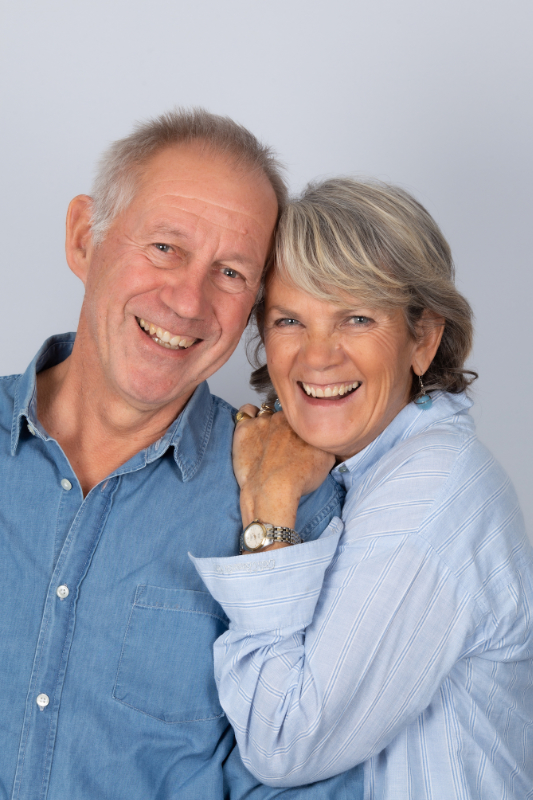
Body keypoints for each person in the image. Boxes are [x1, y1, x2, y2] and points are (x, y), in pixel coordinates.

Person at [0, 112, 365, 799]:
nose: (187, 301)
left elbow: (310, 777)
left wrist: (272, 527)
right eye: (165, 247)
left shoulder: (296, 500)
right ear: (85, 239)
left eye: (230, 272)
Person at [193, 178, 533, 799]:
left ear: (423, 339)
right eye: (290, 319)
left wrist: (269, 503)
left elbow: (284, 742)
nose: (318, 358)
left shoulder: (430, 494)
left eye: (356, 317)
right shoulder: (369, 469)